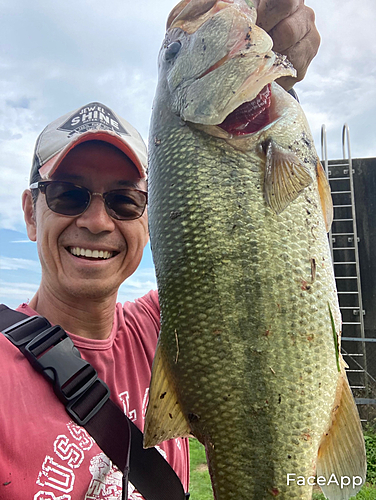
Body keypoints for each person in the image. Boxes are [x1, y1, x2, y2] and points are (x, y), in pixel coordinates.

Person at [0, 2, 320, 499]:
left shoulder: (167, 326)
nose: (97, 221)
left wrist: (269, 85)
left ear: (149, 220)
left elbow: (272, 260)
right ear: (29, 211)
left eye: (126, 201)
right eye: (68, 194)